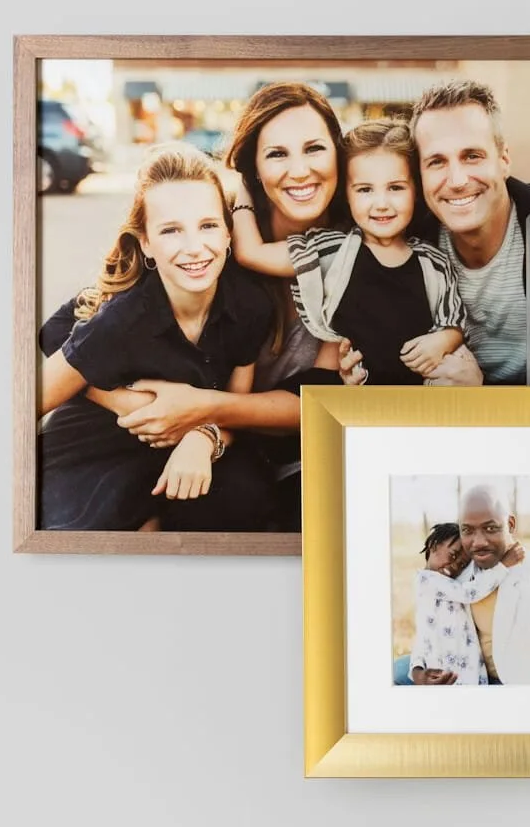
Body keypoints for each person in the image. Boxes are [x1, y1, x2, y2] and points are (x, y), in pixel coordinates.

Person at [38, 82, 352, 531]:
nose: (298, 170)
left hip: (251, 448)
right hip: (133, 447)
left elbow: (320, 401)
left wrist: (200, 420)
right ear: (253, 169)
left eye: (314, 148)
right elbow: (64, 329)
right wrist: (133, 406)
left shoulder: (356, 251)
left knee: (242, 500)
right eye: (277, 154)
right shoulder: (205, 239)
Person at [35, 142, 276, 531]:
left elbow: (235, 406)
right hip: (98, 451)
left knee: (245, 495)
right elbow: (27, 401)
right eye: (171, 230)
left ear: (228, 233)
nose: (194, 248)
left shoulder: (250, 305)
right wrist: (122, 402)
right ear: (145, 242)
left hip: (187, 444)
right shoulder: (122, 319)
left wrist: (204, 437)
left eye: (208, 225)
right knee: (87, 536)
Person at [340, 79, 530, 386]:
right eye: (437, 161)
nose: (457, 180)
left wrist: (482, 395)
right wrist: (360, 378)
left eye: (472, 156)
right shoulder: (406, 242)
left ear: (504, 159)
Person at [228, 118, 467, 385]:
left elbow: (455, 322)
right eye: (365, 190)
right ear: (347, 194)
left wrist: (444, 340)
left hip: (422, 402)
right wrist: (247, 179)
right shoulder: (332, 250)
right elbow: (250, 253)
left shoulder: (434, 262)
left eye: (396, 188)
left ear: (416, 191)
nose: (381, 204)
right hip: (355, 401)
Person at [399, 484, 530, 685]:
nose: (478, 542)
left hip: (504, 681)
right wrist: (417, 669)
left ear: (510, 524)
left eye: (490, 528)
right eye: (467, 530)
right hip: (453, 667)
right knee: (394, 672)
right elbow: (428, 627)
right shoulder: (456, 570)